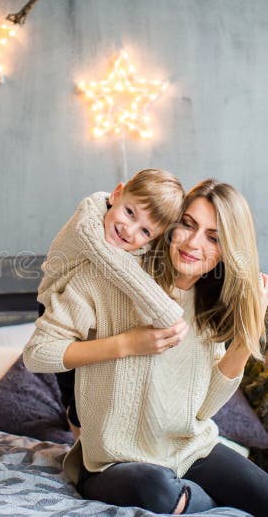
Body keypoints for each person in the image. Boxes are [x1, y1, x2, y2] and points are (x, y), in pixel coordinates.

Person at [24, 179, 268, 516]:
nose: (193, 243)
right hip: (112, 463)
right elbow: (38, 353)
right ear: (170, 224)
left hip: (191, 450)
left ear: (228, 250)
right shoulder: (109, 274)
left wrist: (247, 332)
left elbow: (203, 410)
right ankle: (202, 502)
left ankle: (193, 499)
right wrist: (126, 344)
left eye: (213, 237)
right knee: (157, 488)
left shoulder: (211, 304)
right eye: (188, 224)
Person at [36, 168, 188, 433]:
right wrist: (169, 315)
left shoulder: (131, 243)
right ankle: (77, 434)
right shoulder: (88, 222)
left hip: (89, 309)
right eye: (129, 212)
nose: (128, 230)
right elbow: (118, 267)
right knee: (73, 391)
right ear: (117, 194)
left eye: (144, 232)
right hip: (54, 300)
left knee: (97, 383)